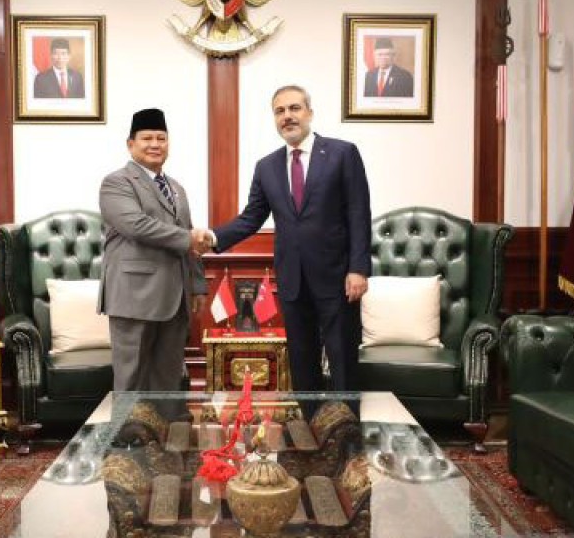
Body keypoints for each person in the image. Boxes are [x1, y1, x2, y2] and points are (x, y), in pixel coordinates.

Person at [205, 86, 371, 391]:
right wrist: (213, 236)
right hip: (293, 278)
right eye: (280, 111)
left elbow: (358, 214)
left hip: (338, 277)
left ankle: (346, 433)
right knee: (302, 360)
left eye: (294, 108)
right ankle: (309, 428)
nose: (288, 117)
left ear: (309, 112)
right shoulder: (266, 167)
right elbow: (251, 218)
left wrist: (358, 269)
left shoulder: (342, 153)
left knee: (342, 358)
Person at [98, 108, 210, 392]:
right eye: (147, 138)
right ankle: (127, 435)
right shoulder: (117, 182)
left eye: (161, 138)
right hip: (134, 295)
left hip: (175, 296)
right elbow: (137, 225)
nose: (155, 144)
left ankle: (166, 432)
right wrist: (188, 238)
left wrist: (197, 286)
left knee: (168, 376)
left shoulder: (176, 188)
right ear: (130, 144)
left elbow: (189, 233)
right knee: (131, 375)